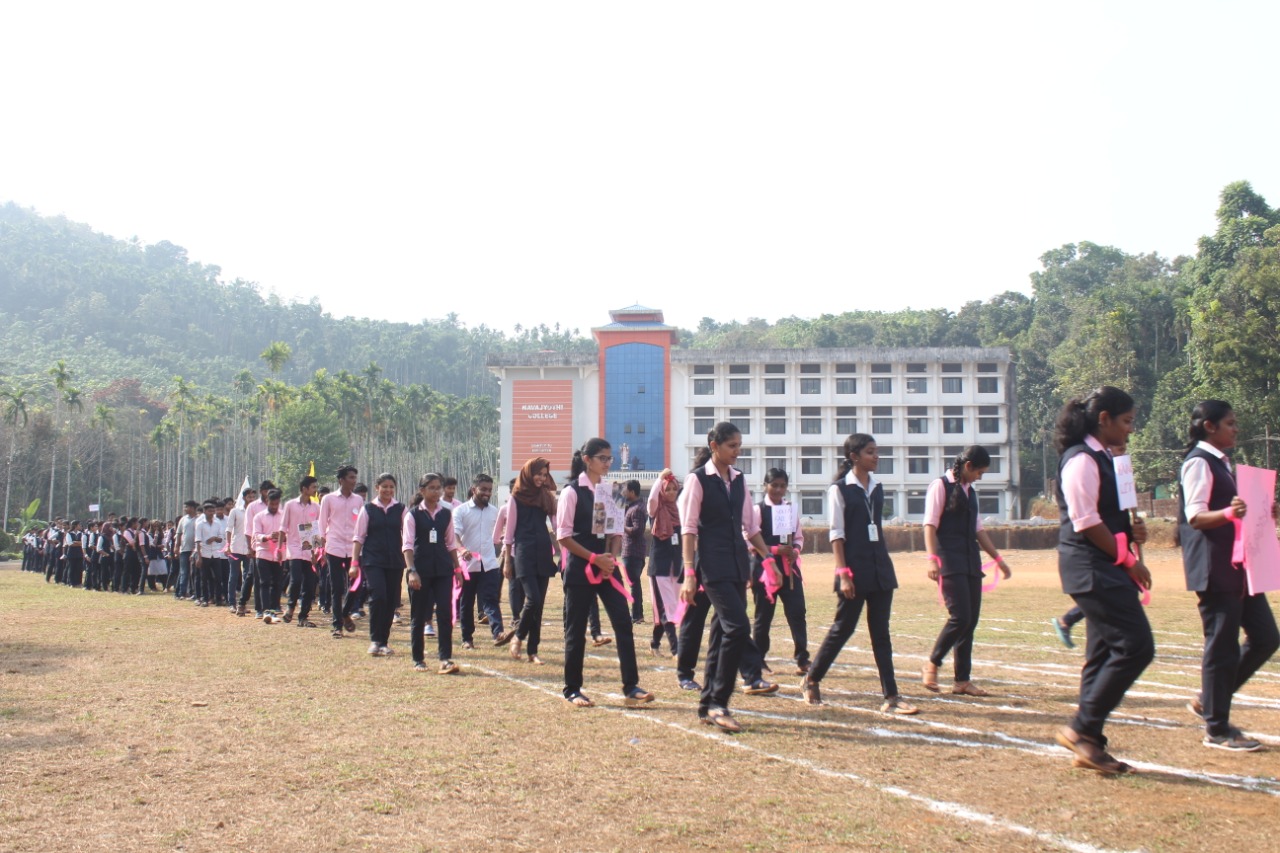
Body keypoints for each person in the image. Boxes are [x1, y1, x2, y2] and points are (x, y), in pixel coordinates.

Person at [1052, 386, 1154, 775]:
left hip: (1104, 567)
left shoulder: (1108, 459)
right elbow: (1086, 522)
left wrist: (1131, 533)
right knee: (1136, 646)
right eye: (1126, 421)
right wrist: (1128, 559)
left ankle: (1089, 742)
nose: (1130, 429)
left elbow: (1110, 516)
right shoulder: (1081, 460)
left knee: (1101, 655)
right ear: (1104, 419)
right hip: (1092, 568)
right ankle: (1082, 727)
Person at [1178, 400, 1278, 752]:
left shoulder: (1223, 464)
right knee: (1221, 645)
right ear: (1210, 426)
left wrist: (1262, 511)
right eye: (1230, 423)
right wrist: (1230, 512)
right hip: (1215, 566)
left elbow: (1234, 512)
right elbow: (1196, 516)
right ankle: (1217, 729)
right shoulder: (1198, 463)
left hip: (1239, 566)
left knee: (1266, 637)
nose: (1236, 429)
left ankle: (1210, 700)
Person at [803, 433, 918, 716]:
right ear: (854, 457)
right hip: (853, 570)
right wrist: (843, 574)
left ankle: (891, 696)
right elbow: (837, 535)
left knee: (881, 633)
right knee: (843, 628)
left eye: (876, 451)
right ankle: (812, 679)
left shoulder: (877, 487)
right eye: (870, 452)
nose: (876, 456)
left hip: (880, 569)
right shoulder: (839, 489)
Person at [678, 422, 776, 732]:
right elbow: (688, 529)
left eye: (738, 445)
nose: (737, 451)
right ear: (714, 446)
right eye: (732, 446)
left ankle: (708, 704)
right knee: (738, 627)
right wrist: (689, 572)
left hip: (738, 565)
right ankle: (719, 702)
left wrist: (768, 559)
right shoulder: (697, 480)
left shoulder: (738, 479)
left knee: (722, 633)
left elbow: (751, 527)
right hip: (712, 565)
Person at [557, 439, 654, 708]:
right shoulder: (572, 492)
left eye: (610, 458)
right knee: (576, 628)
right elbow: (563, 536)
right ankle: (572, 689)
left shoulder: (613, 491)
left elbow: (616, 531)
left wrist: (610, 556)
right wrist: (593, 558)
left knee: (623, 622)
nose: (608, 463)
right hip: (581, 567)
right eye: (603, 458)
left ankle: (631, 685)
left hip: (607, 566)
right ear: (587, 459)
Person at [921, 446, 1012, 696]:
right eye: (979, 472)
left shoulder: (970, 491)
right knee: (960, 617)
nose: (980, 477)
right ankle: (932, 663)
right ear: (968, 465)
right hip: (948, 559)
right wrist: (932, 560)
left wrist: (998, 559)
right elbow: (929, 525)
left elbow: (978, 529)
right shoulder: (940, 486)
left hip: (970, 560)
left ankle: (962, 680)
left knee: (970, 621)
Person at [750, 468, 811, 677]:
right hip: (765, 571)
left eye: (782, 486)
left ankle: (802, 658)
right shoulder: (758, 510)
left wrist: (795, 550)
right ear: (765, 486)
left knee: (797, 612)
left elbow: (798, 537)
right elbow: (749, 540)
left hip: (789, 571)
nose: (778, 489)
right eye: (774, 485)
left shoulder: (790, 510)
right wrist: (775, 550)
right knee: (763, 616)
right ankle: (759, 660)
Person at [499, 458, 559, 664]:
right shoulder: (516, 498)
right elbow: (509, 534)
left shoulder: (546, 497)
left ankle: (533, 651)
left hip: (544, 552)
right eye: (538, 474)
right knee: (532, 599)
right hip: (523, 553)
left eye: (544, 475)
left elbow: (557, 526)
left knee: (538, 606)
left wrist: (564, 551)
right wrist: (508, 561)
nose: (541, 478)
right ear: (528, 473)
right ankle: (518, 637)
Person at [402, 473, 463, 673]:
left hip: (443, 570)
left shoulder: (446, 514)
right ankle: (418, 659)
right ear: (422, 490)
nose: (436, 492)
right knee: (419, 615)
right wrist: (412, 571)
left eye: (439, 488)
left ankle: (445, 658)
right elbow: (407, 545)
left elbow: (451, 544)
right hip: (420, 570)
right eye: (432, 488)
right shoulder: (413, 515)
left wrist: (457, 568)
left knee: (445, 613)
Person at [351, 474, 405, 657]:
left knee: (390, 601)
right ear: (377, 488)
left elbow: (408, 535)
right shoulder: (368, 509)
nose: (388, 490)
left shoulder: (401, 509)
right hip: (373, 561)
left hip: (395, 562)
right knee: (378, 596)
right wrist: (354, 563)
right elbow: (358, 537)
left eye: (391, 487)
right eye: (384, 486)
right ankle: (375, 640)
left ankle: (384, 642)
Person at [453, 474, 505, 649]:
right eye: (483, 489)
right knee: (467, 602)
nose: (487, 493)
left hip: (489, 564)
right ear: (474, 489)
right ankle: (467, 639)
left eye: (489, 490)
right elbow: (454, 536)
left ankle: (498, 633)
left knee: (490, 599)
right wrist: (462, 549)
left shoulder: (494, 511)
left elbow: (498, 535)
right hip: (468, 565)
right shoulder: (461, 511)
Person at [318, 465, 362, 638]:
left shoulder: (358, 500)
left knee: (356, 584)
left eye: (355, 477)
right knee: (336, 588)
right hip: (334, 547)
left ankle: (345, 612)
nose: (354, 481)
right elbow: (321, 525)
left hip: (353, 548)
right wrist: (319, 549)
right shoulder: (328, 499)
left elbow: (360, 524)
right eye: (351, 477)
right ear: (341, 480)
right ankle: (337, 625)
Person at [646, 471, 682, 657]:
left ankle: (654, 644)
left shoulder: (679, 511)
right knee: (666, 608)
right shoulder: (656, 511)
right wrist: (660, 479)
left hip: (675, 567)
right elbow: (652, 499)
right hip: (659, 567)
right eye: (668, 489)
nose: (672, 492)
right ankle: (677, 650)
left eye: (675, 489)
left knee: (670, 607)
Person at [281, 476, 322, 627]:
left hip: (309, 549)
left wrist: (316, 552)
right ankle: (291, 607)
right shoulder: (290, 505)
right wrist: (279, 548)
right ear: (304, 489)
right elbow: (283, 527)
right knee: (296, 579)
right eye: (313, 487)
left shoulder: (316, 507)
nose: (315, 490)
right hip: (293, 547)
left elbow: (316, 529)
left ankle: (303, 617)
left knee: (310, 584)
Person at [251, 490, 286, 618]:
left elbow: (290, 533)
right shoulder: (259, 517)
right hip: (263, 553)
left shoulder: (284, 516)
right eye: (272, 504)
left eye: (276, 504)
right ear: (267, 501)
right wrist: (268, 536)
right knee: (264, 582)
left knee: (277, 582)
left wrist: (282, 538)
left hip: (279, 554)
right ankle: (263, 609)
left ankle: (274, 608)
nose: (274, 507)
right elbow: (256, 535)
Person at [621, 480, 648, 624]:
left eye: (625, 490)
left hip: (633, 551)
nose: (623, 493)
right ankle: (638, 614)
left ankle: (637, 615)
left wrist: (622, 525)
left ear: (632, 492)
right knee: (634, 583)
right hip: (632, 550)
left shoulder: (637, 509)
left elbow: (637, 530)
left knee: (634, 584)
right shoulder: (632, 507)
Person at [194, 502, 226, 607]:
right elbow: (198, 541)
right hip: (204, 553)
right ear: (204, 511)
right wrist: (199, 557)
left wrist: (214, 538)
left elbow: (221, 538)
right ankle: (205, 599)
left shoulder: (217, 523)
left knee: (218, 577)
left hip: (216, 553)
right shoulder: (200, 524)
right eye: (209, 511)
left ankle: (218, 599)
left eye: (213, 511)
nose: (212, 513)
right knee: (204, 578)